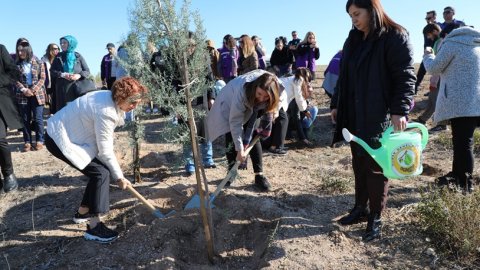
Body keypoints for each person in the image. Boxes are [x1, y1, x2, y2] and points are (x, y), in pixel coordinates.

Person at [331, 0, 416, 241]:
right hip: (354, 112)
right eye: (350, 16)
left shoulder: (394, 37)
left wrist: (399, 110)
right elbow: (344, 75)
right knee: (358, 161)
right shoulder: (354, 40)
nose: (354, 19)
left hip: (377, 113)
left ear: (372, 10)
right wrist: (336, 103)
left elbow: (405, 77)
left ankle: (375, 217)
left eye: (357, 14)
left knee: (375, 167)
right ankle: (360, 208)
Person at [45, 77, 147, 243]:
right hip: (59, 138)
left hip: (69, 134)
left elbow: (102, 147)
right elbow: (105, 151)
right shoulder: (105, 111)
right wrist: (119, 177)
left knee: (98, 171)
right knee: (101, 173)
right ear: (120, 97)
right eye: (132, 101)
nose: (134, 106)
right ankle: (94, 227)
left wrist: (117, 174)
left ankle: (83, 212)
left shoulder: (108, 97)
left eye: (137, 102)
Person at [423, 26, 480, 193]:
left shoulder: (452, 43)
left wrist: (428, 55)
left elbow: (433, 68)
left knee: (463, 144)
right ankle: (457, 176)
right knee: (462, 142)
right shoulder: (477, 44)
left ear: (447, 34)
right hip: (476, 102)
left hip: (461, 104)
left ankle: (466, 186)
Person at [207, 70, 281, 191]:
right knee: (232, 138)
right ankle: (231, 173)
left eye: (266, 96)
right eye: (259, 94)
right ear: (256, 87)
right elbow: (235, 122)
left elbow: (279, 98)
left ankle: (259, 175)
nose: (262, 98)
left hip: (255, 108)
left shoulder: (275, 86)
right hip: (230, 104)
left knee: (254, 136)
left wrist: (275, 110)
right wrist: (240, 149)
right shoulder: (242, 91)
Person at [263, 67, 312, 154]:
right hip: (279, 98)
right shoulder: (298, 79)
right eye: (307, 76)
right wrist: (305, 110)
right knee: (283, 120)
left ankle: (271, 145)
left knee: (277, 121)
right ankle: (277, 147)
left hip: (276, 97)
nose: (308, 79)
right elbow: (299, 97)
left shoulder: (291, 78)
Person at [14, 38, 47, 152]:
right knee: (25, 119)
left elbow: (42, 78)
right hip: (22, 94)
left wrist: (32, 90)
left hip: (37, 93)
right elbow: (15, 79)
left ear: (28, 50)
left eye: (22, 50)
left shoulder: (38, 61)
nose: (20, 53)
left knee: (38, 119)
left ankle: (40, 140)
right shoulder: (16, 64)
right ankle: (27, 142)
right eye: (18, 50)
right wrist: (24, 89)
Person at [0, 43, 22, 193]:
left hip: (1, 101)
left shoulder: (0, 49)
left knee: (0, 139)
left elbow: (14, 71)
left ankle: (8, 175)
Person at [50, 35, 91, 113]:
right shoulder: (59, 56)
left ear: (71, 44)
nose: (62, 45)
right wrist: (62, 74)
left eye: (64, 43)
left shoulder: (78, 56)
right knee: (63, 112)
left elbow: (87, 71)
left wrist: (78, 75)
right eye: (61, 43)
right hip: (62, 89)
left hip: (76, 88)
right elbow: (52, 71)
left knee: (76, 112)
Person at [414, 10, 439, 94]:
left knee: (436, 73)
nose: (427, 20)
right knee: (421, 70)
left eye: (429, 18)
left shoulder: (438, 28)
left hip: (437, 53)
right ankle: (415, 87)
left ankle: (433, 90)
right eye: (426, 18)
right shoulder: (426, 29)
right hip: (428, 52)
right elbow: (426, 42)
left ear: (435, 17)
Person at [41, 43, 60, 108]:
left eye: (58, 49)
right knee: (49, 101)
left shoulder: (60, 58)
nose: (57, 50)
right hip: (48, 82)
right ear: (50, 50)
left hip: (57, 81)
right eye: (55, 48)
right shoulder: (44, 59)